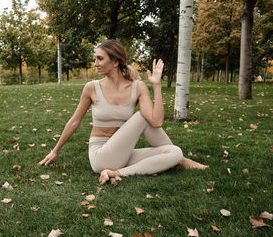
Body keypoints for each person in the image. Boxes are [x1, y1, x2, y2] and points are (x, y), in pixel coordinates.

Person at [38, 39, 208, 185]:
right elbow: (74, 121)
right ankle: (182, 162)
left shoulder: (137, 87)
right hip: (101, 155)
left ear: (115, 62)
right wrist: (55, 150)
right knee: (143, 115)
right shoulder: (92, 87)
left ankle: (118, 173)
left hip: (122, 153)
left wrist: (156, 85)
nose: (95, 63)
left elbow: (156, 122)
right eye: (95, 59)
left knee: (175, 152)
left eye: (99, 59)